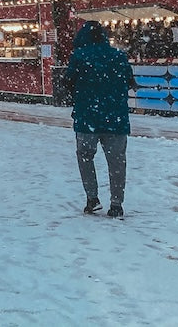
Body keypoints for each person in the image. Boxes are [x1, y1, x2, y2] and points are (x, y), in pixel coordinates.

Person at [62, 21, 135, 218]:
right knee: (117, 161)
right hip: (116, 117)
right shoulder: (119, 56)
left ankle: (92, 198)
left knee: (85, 156)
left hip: (87, 117)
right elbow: (130, 80)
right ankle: (116, 204)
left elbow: (68, 82)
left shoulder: (79, 56)